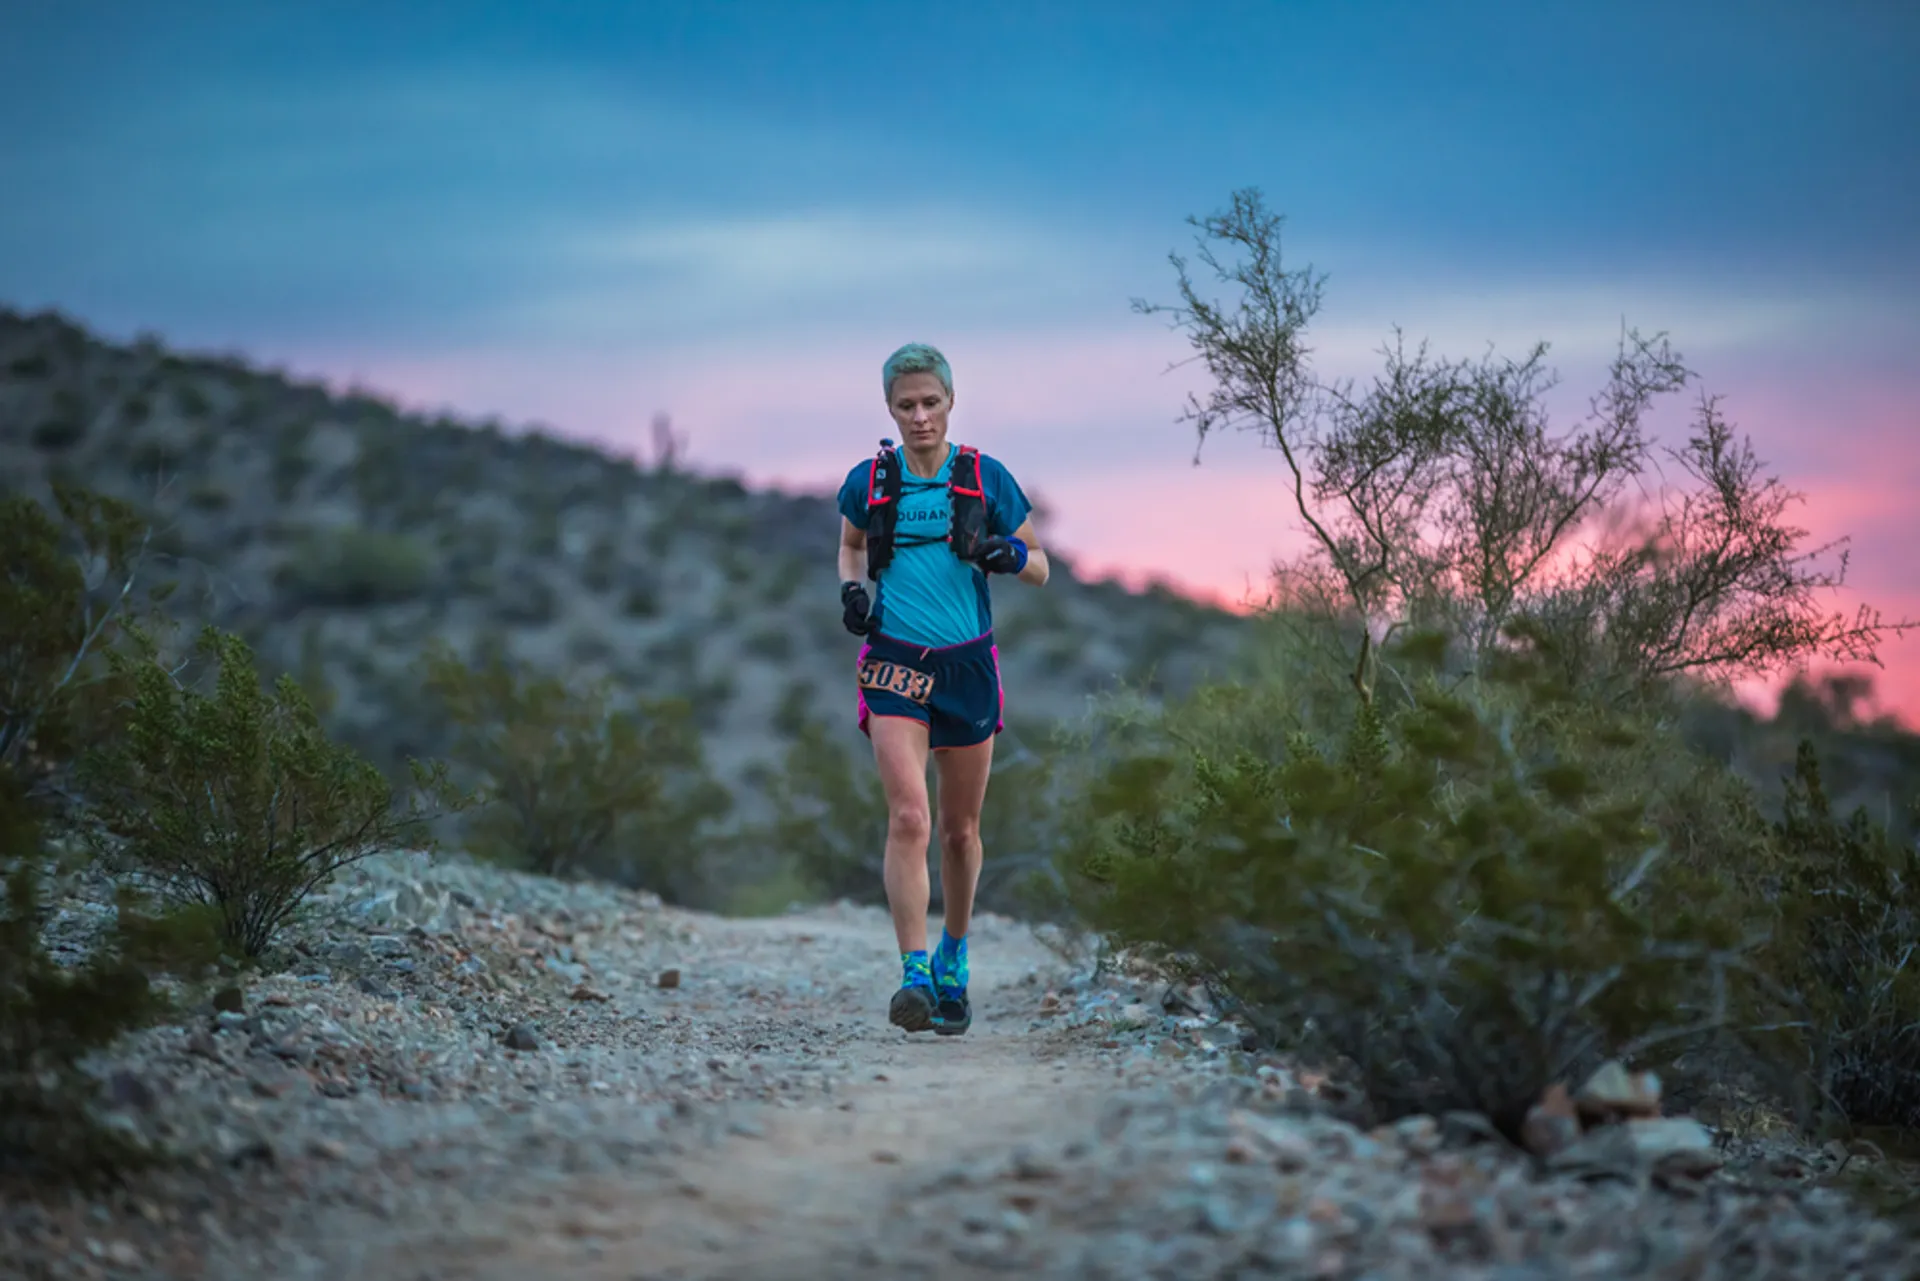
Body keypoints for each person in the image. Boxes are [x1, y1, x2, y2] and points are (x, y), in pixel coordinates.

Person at [835, 342, 1048, 1036]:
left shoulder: (986, 477)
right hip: (894, 661)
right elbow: (851, 542)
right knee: (909, 818)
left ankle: (954, 955)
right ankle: (914, 973)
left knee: (959, 833)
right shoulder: (871, 480)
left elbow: (1042, 564)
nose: (920, 416)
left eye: (931, 402)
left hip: (968, 667)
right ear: (889, 409)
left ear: (951, 401)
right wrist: (850, 590)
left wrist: (1010, 554)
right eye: (906, 405)